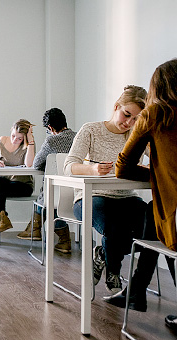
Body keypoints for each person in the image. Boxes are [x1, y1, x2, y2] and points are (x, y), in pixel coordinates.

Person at [105, 59, 177, 330]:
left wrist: (159, 177)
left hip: (176, 220)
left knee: (160, 218)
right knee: (151, 212)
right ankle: (135, 291)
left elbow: (123, 167)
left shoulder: (156, 114)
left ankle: (135, 292)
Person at [63, 85, 148, 294]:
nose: (129, 123)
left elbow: (158, 158)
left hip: (126, 198)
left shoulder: (136, 134)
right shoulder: (91, 130)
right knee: (115, 226)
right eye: (126, 115)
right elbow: (68, 166)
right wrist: (92, 169)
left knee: (152, 228)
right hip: (91, 197)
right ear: (116, 106)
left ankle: (102, 253)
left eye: (136, 119)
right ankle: (114, 271)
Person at [17, 108, 76, 253]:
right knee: (53, 198)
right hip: (78, 191)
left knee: (49, 198)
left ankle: (36, 229)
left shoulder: (51, 140)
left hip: (55, 193)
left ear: (50, 127)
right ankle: (61, 240)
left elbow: (36, 164)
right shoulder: (78, 137)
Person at [0, 119, 35, 246]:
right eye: (13, 136)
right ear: (11, 130)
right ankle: (2, 220)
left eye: (19, 139)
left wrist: (30, 140)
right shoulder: (2, 141)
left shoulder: (28, 145)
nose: (15, 140)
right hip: (5, 184)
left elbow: (29, 164)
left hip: (23, 186)